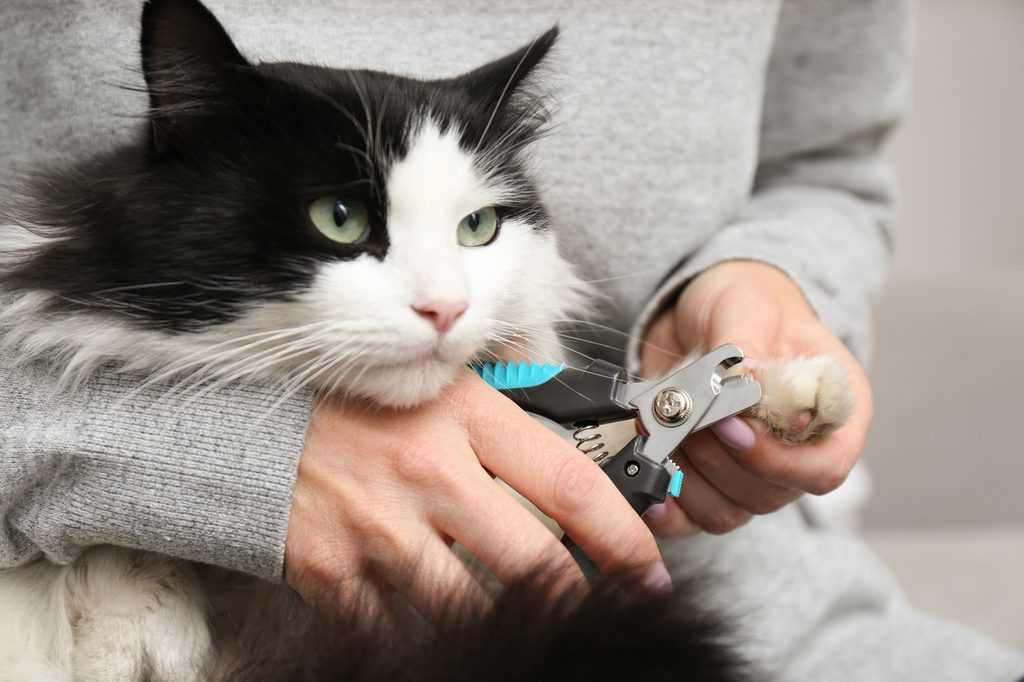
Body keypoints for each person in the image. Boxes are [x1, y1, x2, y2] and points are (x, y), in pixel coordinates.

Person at [1, 1, 1021, 679]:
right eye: (347, 225)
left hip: (760, 617)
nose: (442, 300)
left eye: (477, 227)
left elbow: (822, 160)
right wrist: (209, 462)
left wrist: (754, 278)